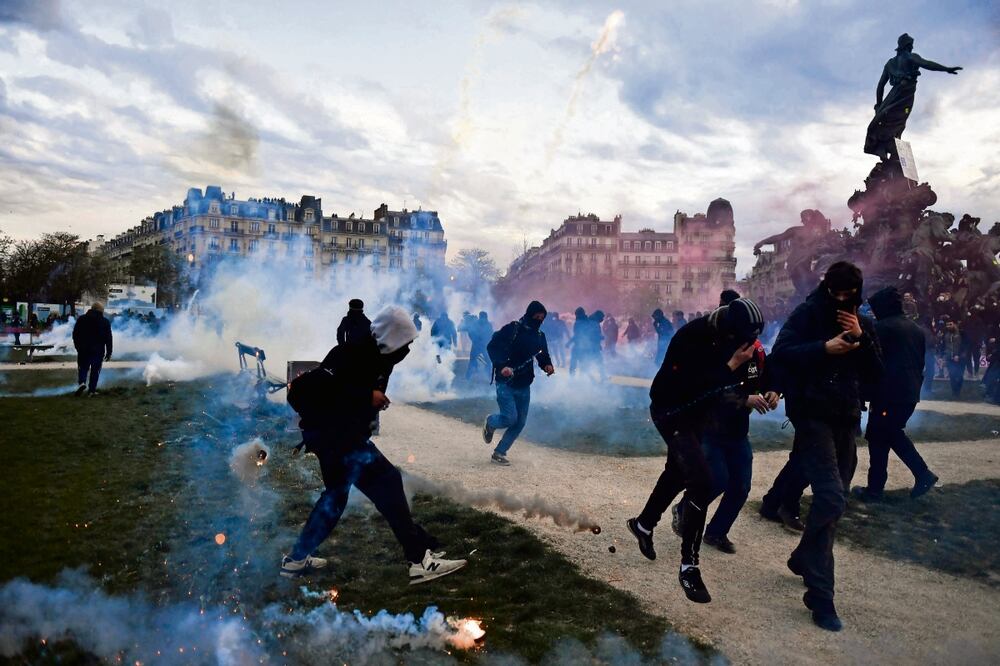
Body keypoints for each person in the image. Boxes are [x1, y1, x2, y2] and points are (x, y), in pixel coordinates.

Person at [281, 306, 467, 584]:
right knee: (388, 483)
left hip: (334, 437)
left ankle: (296, 560)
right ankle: (419, 560)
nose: (410, 347)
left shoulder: (379, 357)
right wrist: (366, 397)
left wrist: (368, 404)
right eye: (406, 341)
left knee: (335, 497)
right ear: (392, 337)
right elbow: (328, 390)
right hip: (337, 438)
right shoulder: (350, 353)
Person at [626, 299, 766, 604]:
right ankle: (689, 565)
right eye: (744, 338)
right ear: (729, 330)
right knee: (702, 481)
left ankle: (643, 524)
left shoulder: (740, 345)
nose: (747, 345)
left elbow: (743, 383)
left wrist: (761, 388)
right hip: (670, 411)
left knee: (677, 473)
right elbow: (686, 387)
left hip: (699, 416)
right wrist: (730, 366)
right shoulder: (691, 337)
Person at [768, 262, 882, 632]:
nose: (843, 300)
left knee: (837, 498)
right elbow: (781, 354)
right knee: (830, 496)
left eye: (850, 294)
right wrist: (823, 348)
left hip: (846, 414)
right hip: (812, 413)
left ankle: (804, 556)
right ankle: (821, 595)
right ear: (827, 288)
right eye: (837, 293)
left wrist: (861, 339)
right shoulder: (807, 312)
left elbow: (877, 373)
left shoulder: (863, 321)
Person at [852, 287, 938, 502]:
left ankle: (921, 474)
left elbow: (871, 363)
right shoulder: (916, 329)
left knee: (885, 435)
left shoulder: (882, 328)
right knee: (881, 436)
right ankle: (875, 489)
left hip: (888, 394)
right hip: (908, 393)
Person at [482, 301, 554, 465]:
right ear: (529, 315)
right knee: (509, 418)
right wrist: (501, 366)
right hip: (505, 382)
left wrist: (547, 365)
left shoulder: (540, 336)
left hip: (524, 383)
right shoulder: (512, 329)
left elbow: (542, 354)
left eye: (542, 319)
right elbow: (492, 346)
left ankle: (499, 453)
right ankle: (491, 422)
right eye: (536, 317)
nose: (538, 321)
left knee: (520, 422)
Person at [72, 302, 113, 396]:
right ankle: (92, 390)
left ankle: (82, 383)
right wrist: (109, 352)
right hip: (98, 351)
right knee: (95, 371)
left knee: (83, 367)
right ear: (101, 311)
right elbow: (108, 338)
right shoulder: (105, 321)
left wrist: (77, 346)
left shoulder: (82, 319)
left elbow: (75, 334)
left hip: (83, 349)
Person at [940, 320, 966, 398]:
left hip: (960, 359)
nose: (948, 326)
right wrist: (941, 356)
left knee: (960, 375)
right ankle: (954, 392)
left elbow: (966, 345)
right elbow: (943, 345)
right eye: (947, 325)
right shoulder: (945, 334)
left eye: (950, 324)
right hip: (949, 358)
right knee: (952, 375)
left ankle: (958, 390)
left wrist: (959, 355)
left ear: (955, 324)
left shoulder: (962, 333)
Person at [465, 311, 493, 380]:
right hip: (476, 346)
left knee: (489, 361)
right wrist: (475, 340)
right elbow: (470, 333)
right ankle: (468, 377)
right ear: (480, 317)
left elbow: (491, 334)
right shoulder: (475, 324)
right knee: (472, 360)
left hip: (485, 346)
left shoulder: (488, 325)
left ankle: (489, 376)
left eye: (484, 317)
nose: (483, 319)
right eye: (482, 317)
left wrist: (487, 341)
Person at [568, 307, 588, 375]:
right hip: (584, 346)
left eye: (576, 314)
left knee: (574, 363)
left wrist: (569, 342)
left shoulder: (579, 322)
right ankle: (581, 378)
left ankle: (573, 379)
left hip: (579, 346)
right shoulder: (587, 321)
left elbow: (577, 334)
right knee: (582, 363)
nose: (576, 316)